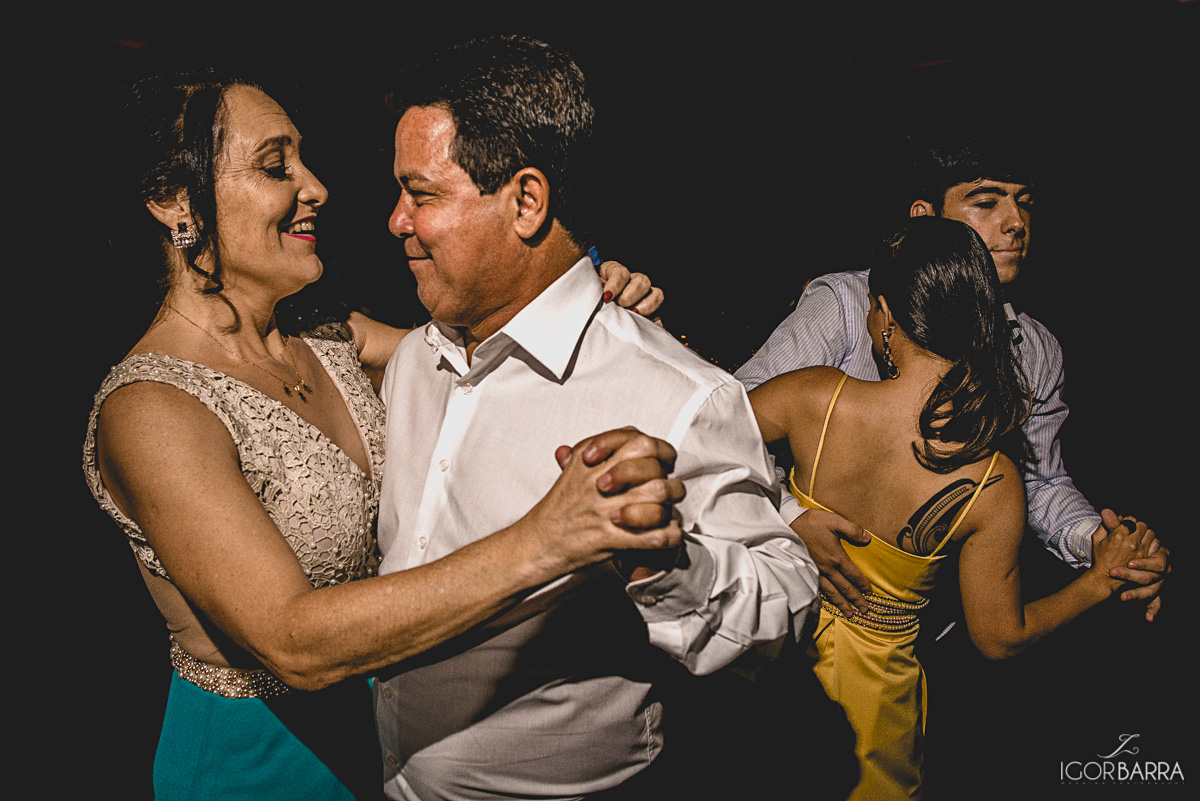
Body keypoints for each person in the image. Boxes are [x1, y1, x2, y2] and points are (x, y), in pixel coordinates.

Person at [83, 71, 683, 801]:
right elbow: (294, 641)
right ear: (175, 200)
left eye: (303, 160)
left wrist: (585, 301)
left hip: (381, 739)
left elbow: (500, 364)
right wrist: (546, 539)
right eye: (276, 166)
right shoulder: (151, 407)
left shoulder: (329, 335)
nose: (317, 188)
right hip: (256, 766)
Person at [372, 36, 819, 800]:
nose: (395, 220)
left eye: (423, 194)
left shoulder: (676, 391)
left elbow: (785, 610)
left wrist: (663, 563)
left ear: (526, 201)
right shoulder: (415, 358)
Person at [747, 217, 1157, 800]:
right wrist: (1097, 583)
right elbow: (999, 638)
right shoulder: (992, 482)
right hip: (874, 705)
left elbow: (703, 436)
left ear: (886, 317)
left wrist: (788, 512)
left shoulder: (814, 396)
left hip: (772, 655)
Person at [735, 135, 1168, 622]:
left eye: (1025, 204)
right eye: (986, 203)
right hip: (794, 597)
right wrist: (792, 518)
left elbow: (1040, 480)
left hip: (922, 623)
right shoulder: (847, 302)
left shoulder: (1036, 349)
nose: (1016, 223)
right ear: (924, 218)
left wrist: (1103, 546)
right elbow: (729, 424)